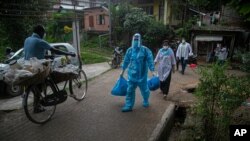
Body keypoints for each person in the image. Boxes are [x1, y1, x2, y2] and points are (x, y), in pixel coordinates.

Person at [24, 25, 76, 113]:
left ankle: (39, 99)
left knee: (37, 86)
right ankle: (39, 104)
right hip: (37, 68)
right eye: (43, 33)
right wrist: (69, 53)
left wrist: (48, 56)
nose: (44, 34)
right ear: (40, 32)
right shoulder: (40, 41)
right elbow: (55, 50)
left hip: (27, 67)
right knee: (51, 76)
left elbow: (33, 53)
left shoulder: (27, 39)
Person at [120, 33, 155, 112]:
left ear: (140, 40)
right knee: (130, 90)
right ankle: (129, 105)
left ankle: (146, 100)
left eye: (137, 40)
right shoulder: (130, 50)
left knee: (144, 90)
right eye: (134, 39)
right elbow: (126, 61)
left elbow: (150, 60)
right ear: (132, 40)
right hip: (131, 75)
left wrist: (152, 70)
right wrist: (122, 71)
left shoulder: (145, 50)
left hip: (142, 76)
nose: (135, 41)